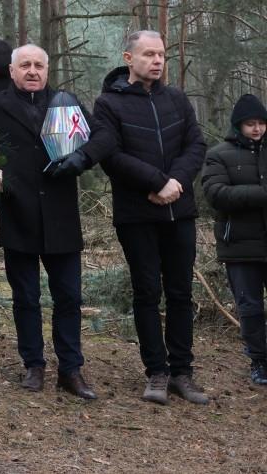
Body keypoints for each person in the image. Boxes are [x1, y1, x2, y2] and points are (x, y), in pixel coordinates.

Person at [0, 43, 115, 399]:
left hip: (61, 216)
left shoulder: (65, 102)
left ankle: (70, 370)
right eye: (25, 65)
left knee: (68, 298)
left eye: (39, 65)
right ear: (11, 71)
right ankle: (33, 365)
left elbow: (104, 136)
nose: (32, 71)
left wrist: (82, 158)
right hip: (18, 212)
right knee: (26, 297)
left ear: (48, 69)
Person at [93, 30, 209, 405]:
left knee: (180, 292)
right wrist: (157, 182)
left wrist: (175, 181)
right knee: (147, 292)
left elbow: (196, 143)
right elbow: (110, 155)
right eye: (148, 54)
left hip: (181, 210)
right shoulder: (109, 104)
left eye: (161, 55)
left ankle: (182, 372)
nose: (157, 61)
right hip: (136, 214)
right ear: (129, 58)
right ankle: (156, 373)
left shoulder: (176, 99)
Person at [202, 94, 267, 386]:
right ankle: (259, 360)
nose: (257, 129)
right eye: (251, 124)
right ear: (239, 125)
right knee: (250, 308)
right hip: (240, 246)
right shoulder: (218, 154)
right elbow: (216, 194)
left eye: (261, 123)